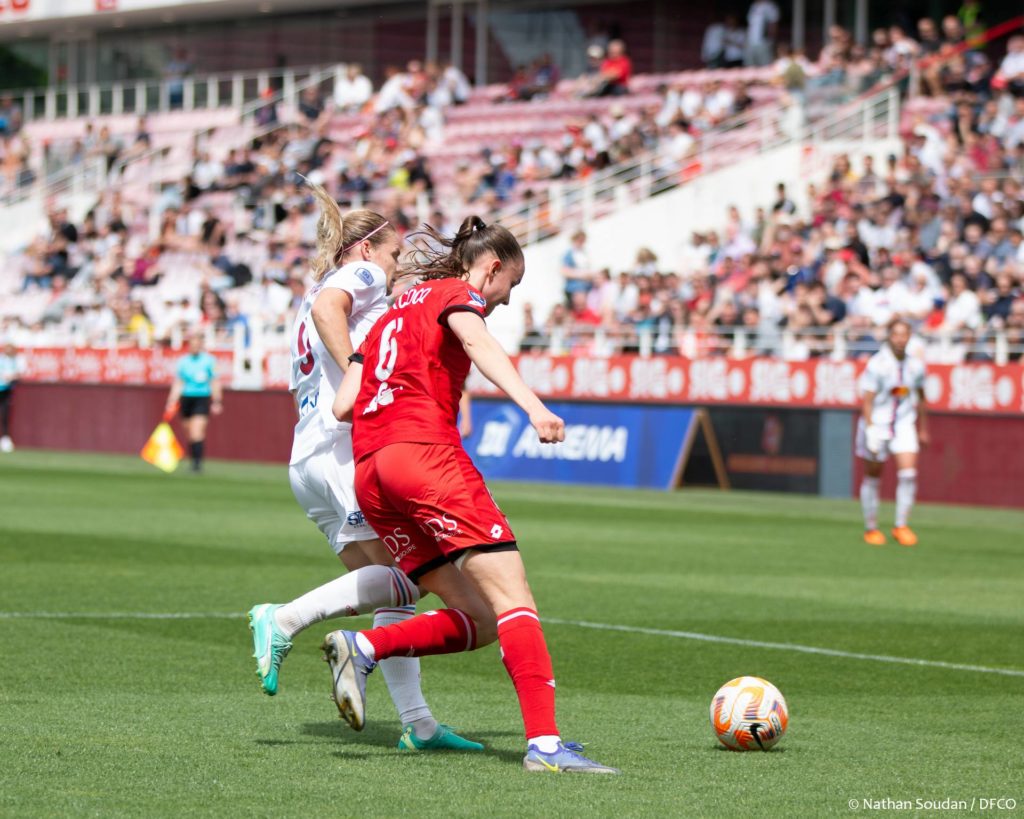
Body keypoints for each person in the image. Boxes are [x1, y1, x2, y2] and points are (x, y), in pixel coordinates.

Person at [325, 217, 620, 774]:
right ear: (490, 267)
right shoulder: (458, 294)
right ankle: (547, 748)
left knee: (482, 619)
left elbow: (343, 405)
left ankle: (363, 648)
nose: (507, 300)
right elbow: (477, 339)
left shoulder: (387, 314)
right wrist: (534, 407)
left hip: (372, 470)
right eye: (511, 284)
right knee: (515, 599)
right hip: (425, 457)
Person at [247, 188, 480, 752]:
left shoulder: (311, 294)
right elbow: (337, 312)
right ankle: (282, 620)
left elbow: (321, 320)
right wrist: (360, 364)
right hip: (342, 448)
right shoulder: (361, 277)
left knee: (394, 594)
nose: (396, 265)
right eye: (394, 253)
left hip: (307, 457)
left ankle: (419, 725)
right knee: (415, 576)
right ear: (368, 247)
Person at [857, 319, 929, 547]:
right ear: (889, 336)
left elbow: (921, 396)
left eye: (904, 334)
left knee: (908, 474)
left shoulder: (915, 366)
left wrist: (924, 428)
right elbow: (867, 401)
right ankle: (871, 527)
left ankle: (901, 525)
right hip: (878, 424)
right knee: (873, 476)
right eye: (896, 334)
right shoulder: (877, 364)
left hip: (904, 424)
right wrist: (869, 430)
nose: (900, 339)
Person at [165, 331, 222, 472]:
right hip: (186, 398)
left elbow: (215, 381)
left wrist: (217, 400)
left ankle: (197, 463)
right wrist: (172, 400)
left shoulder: (209, 361)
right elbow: (179, 382)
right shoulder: (183, 361)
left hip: (201, 398)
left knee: (197, 431)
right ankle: (193, 460)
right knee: (189, 432)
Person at [0, 341, 24, 453]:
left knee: (5, 415)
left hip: (6, 390)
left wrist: (12, 377)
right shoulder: (1, 359)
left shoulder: (17, 360)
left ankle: (5, 439)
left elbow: (20, 373)